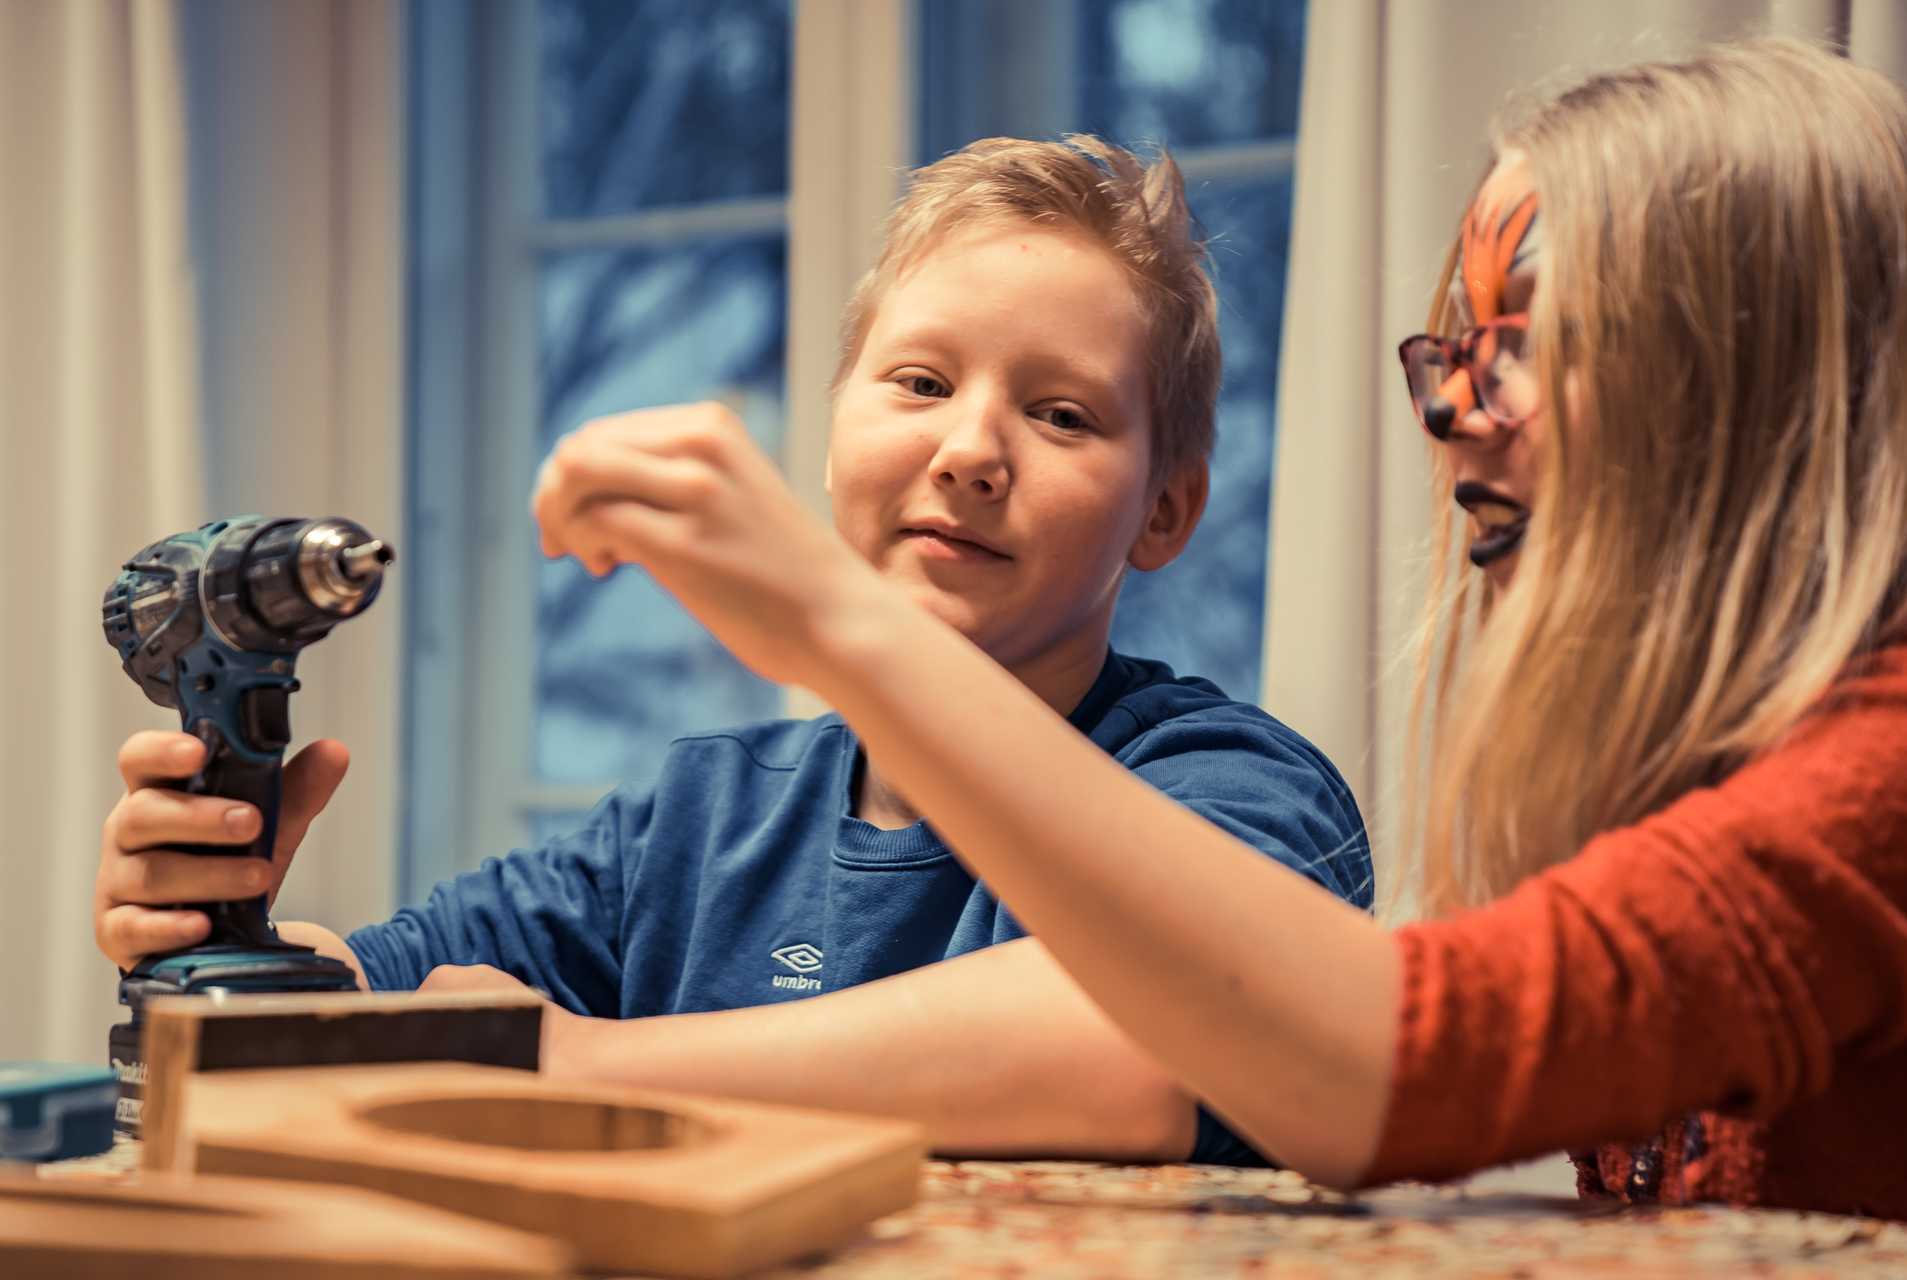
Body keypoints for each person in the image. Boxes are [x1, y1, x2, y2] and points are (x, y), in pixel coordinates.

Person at [510, 39, 1907, 1217]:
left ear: (1766, 385)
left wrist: (837, 626)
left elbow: (1380, 1062)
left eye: (1530, 347)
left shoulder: (1880, 773)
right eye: (1454, 351)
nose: (1452, 417)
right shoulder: (698, 807)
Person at [94, 137, 1371, 1164]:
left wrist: (576, 1061)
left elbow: (1154, 1043)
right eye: (921, 383)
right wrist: (221, 938)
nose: (971, 451)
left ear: (1166, 509)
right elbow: (381, 997)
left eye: (1063, 413)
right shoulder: (695, 820)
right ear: (832, 436)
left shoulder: (1232, 786)